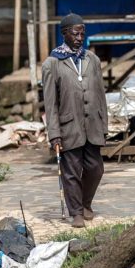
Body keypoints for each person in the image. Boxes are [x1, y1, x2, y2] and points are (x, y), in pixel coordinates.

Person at [42, 14, 107, 228]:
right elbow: (50, 104)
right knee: (71, 172)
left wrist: (104, 124)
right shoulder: (53, 64)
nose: (80, 37)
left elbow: (100, 95)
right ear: (64, 34)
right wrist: (54, 135)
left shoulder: (92, 60)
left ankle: (86, 202)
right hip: (69, 126)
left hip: (92, 126)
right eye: (75, 33)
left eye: (82, 33)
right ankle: (76, 212)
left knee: (95, 168)